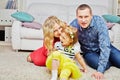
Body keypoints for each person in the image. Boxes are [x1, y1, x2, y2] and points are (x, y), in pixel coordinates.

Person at [70, 4, 120, 80]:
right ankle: (107, 60)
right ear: (77, 17)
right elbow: (65, 37)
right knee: (104, 66)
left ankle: (108, 58)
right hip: (89, 52)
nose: (83, 20)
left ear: (91, 16)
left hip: (104, 47)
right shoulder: (73, 25)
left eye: (86, 16)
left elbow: (105, 45)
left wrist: (100, 71)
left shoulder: (99, 22)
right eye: (80, 17)